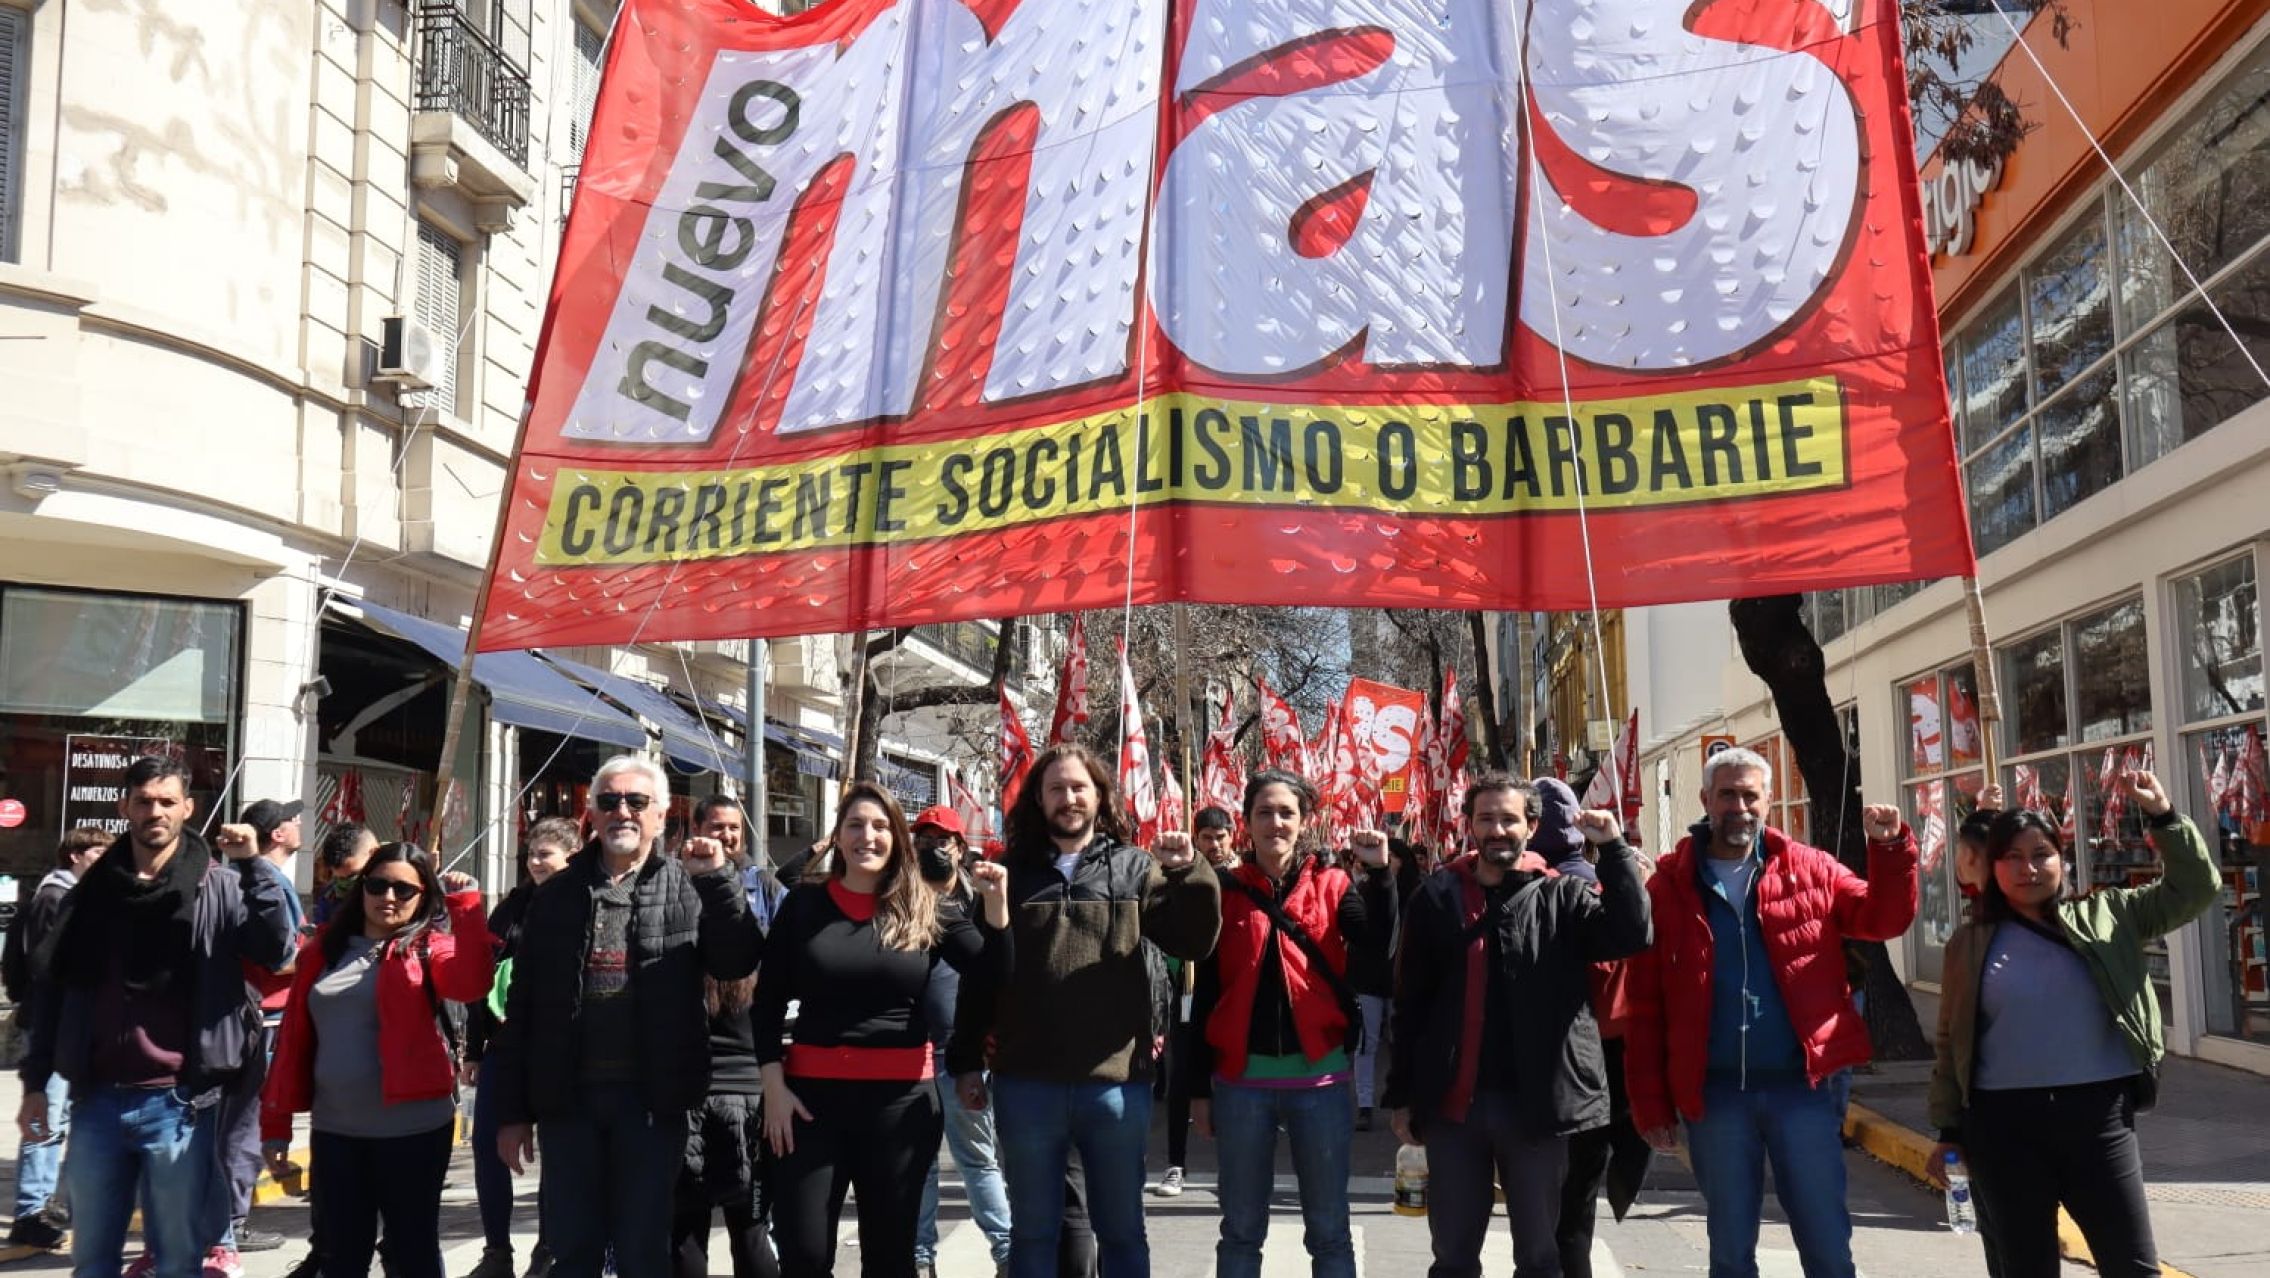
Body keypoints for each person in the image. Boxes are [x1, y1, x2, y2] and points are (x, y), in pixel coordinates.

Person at [1624, 747, 1918, 1278]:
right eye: (1727, 795)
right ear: (1706, 801)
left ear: (1769, 802)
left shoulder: (1811, 869)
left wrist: (1890, 849)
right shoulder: (1667, 887)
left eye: (1750, 795)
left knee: (1826, 1242)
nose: (1739, 806)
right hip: (1713, 1097)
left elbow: (1882, 918)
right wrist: (1650, 1105)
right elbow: (1644, 1008)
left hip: (1801, 1091)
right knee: (1731, 1251)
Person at [1927, 771, 2218, 1278]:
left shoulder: (2111, 916)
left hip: (2098, 1118)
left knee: (2132, 1266)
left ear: (2062, 860)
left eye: (2041, 853)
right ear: (1991, 868)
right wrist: (1949, 1130)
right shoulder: (1969, 945)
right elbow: (1951, 1041)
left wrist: (2164, 817)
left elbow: (2195, 889)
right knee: (2026, 1268)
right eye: (2012, 857)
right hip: (2002, 1127)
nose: (2029, 868)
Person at [16, 755, 295, 1278]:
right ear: (125, 806)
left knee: (176, 1262)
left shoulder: (217, 886)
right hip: (96, 1099)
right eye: (143, 801)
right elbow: (54, 989)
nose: (155, 812)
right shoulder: (91, 894)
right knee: (93, 1260)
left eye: (168, 801)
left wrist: (256, 866)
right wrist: (36, 1081)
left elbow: (276, 947)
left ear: (188, 807)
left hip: (179, 1104)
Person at [948, 744, 1220, 1278]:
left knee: (1122, 1234)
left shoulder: (1136, 867)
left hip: (1115, 1088)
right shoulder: (1008, 872)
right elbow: (982, 977)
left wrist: (1191, 870)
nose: (1068, 798)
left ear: (1099, 796)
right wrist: (965, 1060)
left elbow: (1195, 941)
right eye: (1056, 788)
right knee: (1033, 1236)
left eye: (1079, 787)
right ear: (1038, 799)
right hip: (1026, 1085)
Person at [486, 755, 762, 1278]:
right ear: (592, 814)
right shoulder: (556, 895)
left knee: (644, 1250)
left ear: (661, 815)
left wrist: (718, 881)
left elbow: (737, 961)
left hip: (652, 1106)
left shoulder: (688, 885)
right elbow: (522, 1008)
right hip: (568, 1105)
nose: (623, 812)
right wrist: (512, 1112)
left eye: (637, 802)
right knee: (572, 1249)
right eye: (609, 801)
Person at [1385, 776, 1650, 1278]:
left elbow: (1632, 932)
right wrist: (1402, 1095)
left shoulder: (1564, 897)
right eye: (1486, 819)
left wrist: (1614, 849)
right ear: (1470, 827)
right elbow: (1410, 1004)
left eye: (1509, 819)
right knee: (1454, 1256)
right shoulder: (1437, 897)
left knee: (1539, 1257)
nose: (1498, 829)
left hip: (1538, 1108)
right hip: (1453, 1108)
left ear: (1530, 826)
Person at [753, 782, 1009, 1278]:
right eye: (854, 825)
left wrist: (996, 912)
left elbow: (993, 976)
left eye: (879, 826)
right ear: (838, 836)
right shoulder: (804, 905)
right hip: (808, 1107)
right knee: (803, 1256)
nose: (866, 836)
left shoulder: (925, 906)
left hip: (900, 1109)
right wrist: (773, 1085)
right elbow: (766, 1002)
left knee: (891, 1260)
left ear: (897, 838)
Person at [1185, 771, 1396, 1278]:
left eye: (1286, 813)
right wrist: (1198, 1088)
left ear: (1304, 822)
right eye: (1264, 812)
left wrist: (1384, 877)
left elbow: (1376, 948)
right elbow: (1203, 993)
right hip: (1240, 1085)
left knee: (1328, 1230)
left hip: (1320, 1082)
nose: (1275, 822)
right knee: (1240, 1230)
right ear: (1247, 822)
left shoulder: (1334, 884)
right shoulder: (1224, 890)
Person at [258, 842, 492, 1278]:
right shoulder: (324, 949)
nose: (388, 897)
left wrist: (467, 906)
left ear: (423, 896)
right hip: (335, 1130)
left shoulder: (429, 948)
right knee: (340, 1257)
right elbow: (291, 1042)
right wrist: (275, 1127)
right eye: (378, 885)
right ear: (361, 888)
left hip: (414, 1130)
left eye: (404, 890)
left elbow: (472, 983)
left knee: (410, 1253)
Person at [1526, 779, 1655, 1278]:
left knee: (1556, 1200)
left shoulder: (1544, 890)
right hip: (1613, 1059)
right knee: (1577, 1197)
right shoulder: (1617, 885)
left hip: (1565, 1059)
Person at [464, 818, 579, 1278]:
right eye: (531, 853)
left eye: (545, 854)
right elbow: (480, 982)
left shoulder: (584, 904)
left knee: (557, 1150)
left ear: (571, 856)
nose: (535, 862)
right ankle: (497, 1252)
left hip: (562, 1051)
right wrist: (473, 1050)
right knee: (486, 1144)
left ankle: (549, 1248)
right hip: (505, 1048)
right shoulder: (510, 910)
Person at [672, 824, 781, 1278]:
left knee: (684, 1232)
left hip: (703, 1099)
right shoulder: (742, 941)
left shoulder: (680, 941)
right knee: (749, 1228)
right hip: (743, 1099)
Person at [908, 805, 1013, 1278]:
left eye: (942, 841)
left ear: (960, 847)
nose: (932, 850)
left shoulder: (976, 901)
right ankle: (920, 1257)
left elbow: (997, 968)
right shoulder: (902, 901)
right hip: (911, 1058)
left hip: (961, 1053)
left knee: (977, 1160)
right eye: (923, 841)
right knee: (920, 1165)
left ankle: (1007, 1251)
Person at [1, 827, 107, 1251]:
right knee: (46, 1118)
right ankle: (31, 1211)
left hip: (60, 1021)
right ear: (76, 855)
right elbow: (49, 969)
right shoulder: (56, 897)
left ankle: (43, 1207)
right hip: (54, 1022)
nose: (104, 859)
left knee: (56, 1118)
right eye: (98, 851)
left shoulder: (59, 893)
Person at [215, 798, 308, 1263]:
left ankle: (226, 1222)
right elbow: (281, 956)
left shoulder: (251, 879)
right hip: (262, 1016)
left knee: (236, 1125)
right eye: (291, 821)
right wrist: (318, 953)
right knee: (242, 1125)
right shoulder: (266, 882)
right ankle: (230, 1224)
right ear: (275, 834)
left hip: (249, 1016)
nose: (298, 825)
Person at [1154, 805, 1239, 1199]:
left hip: (1230, 992)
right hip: (1187, 988)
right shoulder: (1184, 876)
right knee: (1181, 1076)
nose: (1215, 844)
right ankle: (1175, 1163)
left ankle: (1233, 1166)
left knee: (1231, 1082)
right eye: (1207, 837)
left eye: (1221, 836)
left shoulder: (1240, 879)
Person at [695, 796, 787, 938]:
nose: (727, 836)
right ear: (696, 830)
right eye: (718, 827)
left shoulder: (763, 884)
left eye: (734, 828)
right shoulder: (677, 881)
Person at [311, 821, 379, 928]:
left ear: (374, 853)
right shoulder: (330, 895)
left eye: (354, 875)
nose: (344, 883)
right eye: (338, 878)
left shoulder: (398, 887)